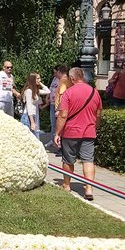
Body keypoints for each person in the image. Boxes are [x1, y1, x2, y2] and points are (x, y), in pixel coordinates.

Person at [54, 67, 103, 201]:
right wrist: (95, 126)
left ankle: (66, 185)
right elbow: (98, 113)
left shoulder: (69, 93)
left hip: (70, 131)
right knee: (88, 160)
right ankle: (89, 189)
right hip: (89, 131)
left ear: (72, 78)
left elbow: (63, 115)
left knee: (68, 160)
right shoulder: (94, 92)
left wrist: (57, 133)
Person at [20, 72, 43, 139]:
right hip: (28, 117)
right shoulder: (29, 91)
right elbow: (29, 107)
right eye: (38, 78)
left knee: (33, 139)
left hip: (32, 116)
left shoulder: (35, 91)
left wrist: (40, 83)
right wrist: (32, 122)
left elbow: (48, 91)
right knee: (29, 139)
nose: (40, 80)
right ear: (33, 80)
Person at [49, 65, 69, 139]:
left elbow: (62, 96)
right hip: (59, 107)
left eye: (57, 72)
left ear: (59, 72)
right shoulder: (66, 80)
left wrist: (59, 109)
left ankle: (58, 141)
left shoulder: (63, 81)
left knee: (58, 125)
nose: (56, 74)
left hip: (60, 108)